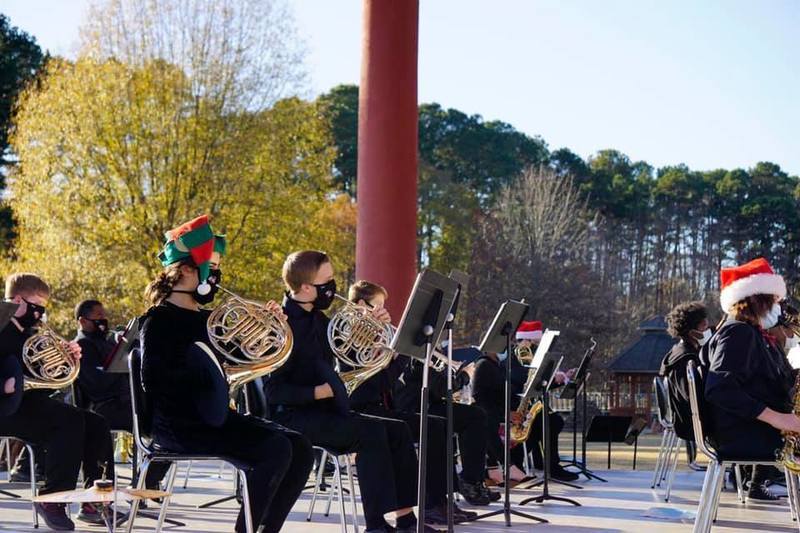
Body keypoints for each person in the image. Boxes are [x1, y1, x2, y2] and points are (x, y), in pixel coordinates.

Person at [138, 215, 314, 533]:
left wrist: (267, 328)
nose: (217, 276)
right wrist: (203, 377)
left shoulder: (208, 319)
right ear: (186, 270)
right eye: (212, 267)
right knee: (276, 449)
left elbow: (236, 358)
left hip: (214, 417)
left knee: (300, 448)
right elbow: (152, 378)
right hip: (179, 425)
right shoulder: (158, 320)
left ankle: (264, 528)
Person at [265, 251, 431, 533]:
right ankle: (376, 525)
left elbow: (355, 355)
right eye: (327, 281)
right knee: (370, 433)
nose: (333, 287)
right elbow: (273, 392)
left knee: (398, 429)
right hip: (294, 417)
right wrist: (319, 392)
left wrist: (375, 324)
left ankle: (406, 520)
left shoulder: (322, 321)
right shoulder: (280, 324)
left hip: (329, 412)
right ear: (305, 288)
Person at [344, 280, 478, 522]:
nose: (384, 311)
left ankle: (439, 501)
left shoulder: (376, 337)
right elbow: (379, 384)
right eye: (378, 305)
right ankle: (427, 506)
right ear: (362, 305)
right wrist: (403, 354)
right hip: (362, 409)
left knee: (437, 424)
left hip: (381, 407)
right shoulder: (351, 338)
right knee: (421, 428)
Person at [0, 273, 117, 530]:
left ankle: (95, 500)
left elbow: (43, 381)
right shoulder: (2, 328)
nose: (41, 313)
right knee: (69, 420)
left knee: (96, 423)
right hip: (4, 408)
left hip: (26, 404)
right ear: (17, 301)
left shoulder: (30, 334)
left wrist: (68, 358)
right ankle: (53, 498)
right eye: (37, 306)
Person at [701, 257, 800, 502]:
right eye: (774, 299)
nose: (778, 306)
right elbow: (719, 388)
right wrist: (778, 418)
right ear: (756, 300)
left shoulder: (753, 333)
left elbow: (773, 380)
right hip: (745, 434)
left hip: (751, 430)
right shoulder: (738, 333)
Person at [73, 299, 170, 490]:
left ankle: (149, 477)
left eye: (104, 316)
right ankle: (146, 480)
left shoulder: (107, 342)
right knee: (162, 424)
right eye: (98, 317)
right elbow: (97, 386)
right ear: (83, 321)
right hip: (104, 407)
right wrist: (121, 366)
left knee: (169, 420)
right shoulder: (83, 345)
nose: (103, 320)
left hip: (125, 402)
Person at [472, 321, 578, 484]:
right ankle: (515, 464)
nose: (511, 344)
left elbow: (528, 381)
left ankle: (538, 464)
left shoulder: (498, 364)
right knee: (545, 421)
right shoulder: (493, 363)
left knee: (550, 420)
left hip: (513, 404)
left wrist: (554, 380)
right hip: (506, 407)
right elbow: (490, 395)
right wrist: (508, 412)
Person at [394, 352, 499, 504]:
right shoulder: (418, 354)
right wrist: (465, 375)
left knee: (476, 415)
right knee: (475, 417)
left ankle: (474, 480)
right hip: (416, 410)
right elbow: (442, 388)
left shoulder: (424, 352)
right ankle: (469, 481)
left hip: (428, 405)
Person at [660, 301, 710, 469]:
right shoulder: (686, 358)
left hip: (686, 417)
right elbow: (692, 396)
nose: (707, 329)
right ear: (692, 331)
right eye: (704, 326)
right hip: (690, 421)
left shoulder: (678, 352)